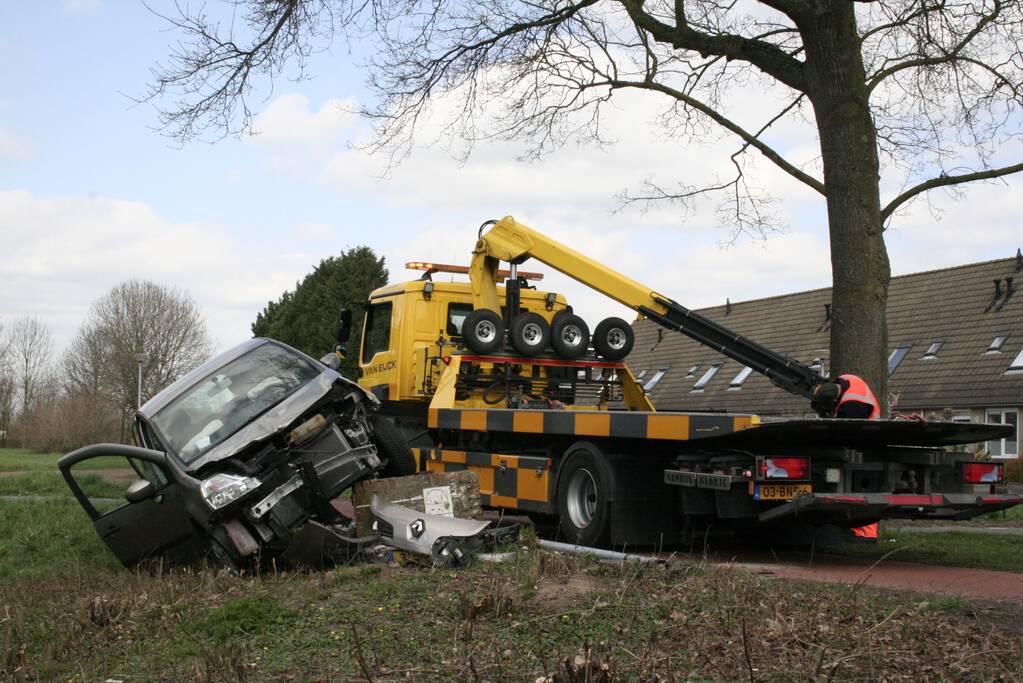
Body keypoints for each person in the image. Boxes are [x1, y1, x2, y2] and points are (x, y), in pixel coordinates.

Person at [811, 373, 881, 541]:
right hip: (861, 443)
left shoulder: (852, 406)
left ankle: (865, 536)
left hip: (863, 448)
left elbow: (843, 433)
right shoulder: (846, 379)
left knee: (858, 491)